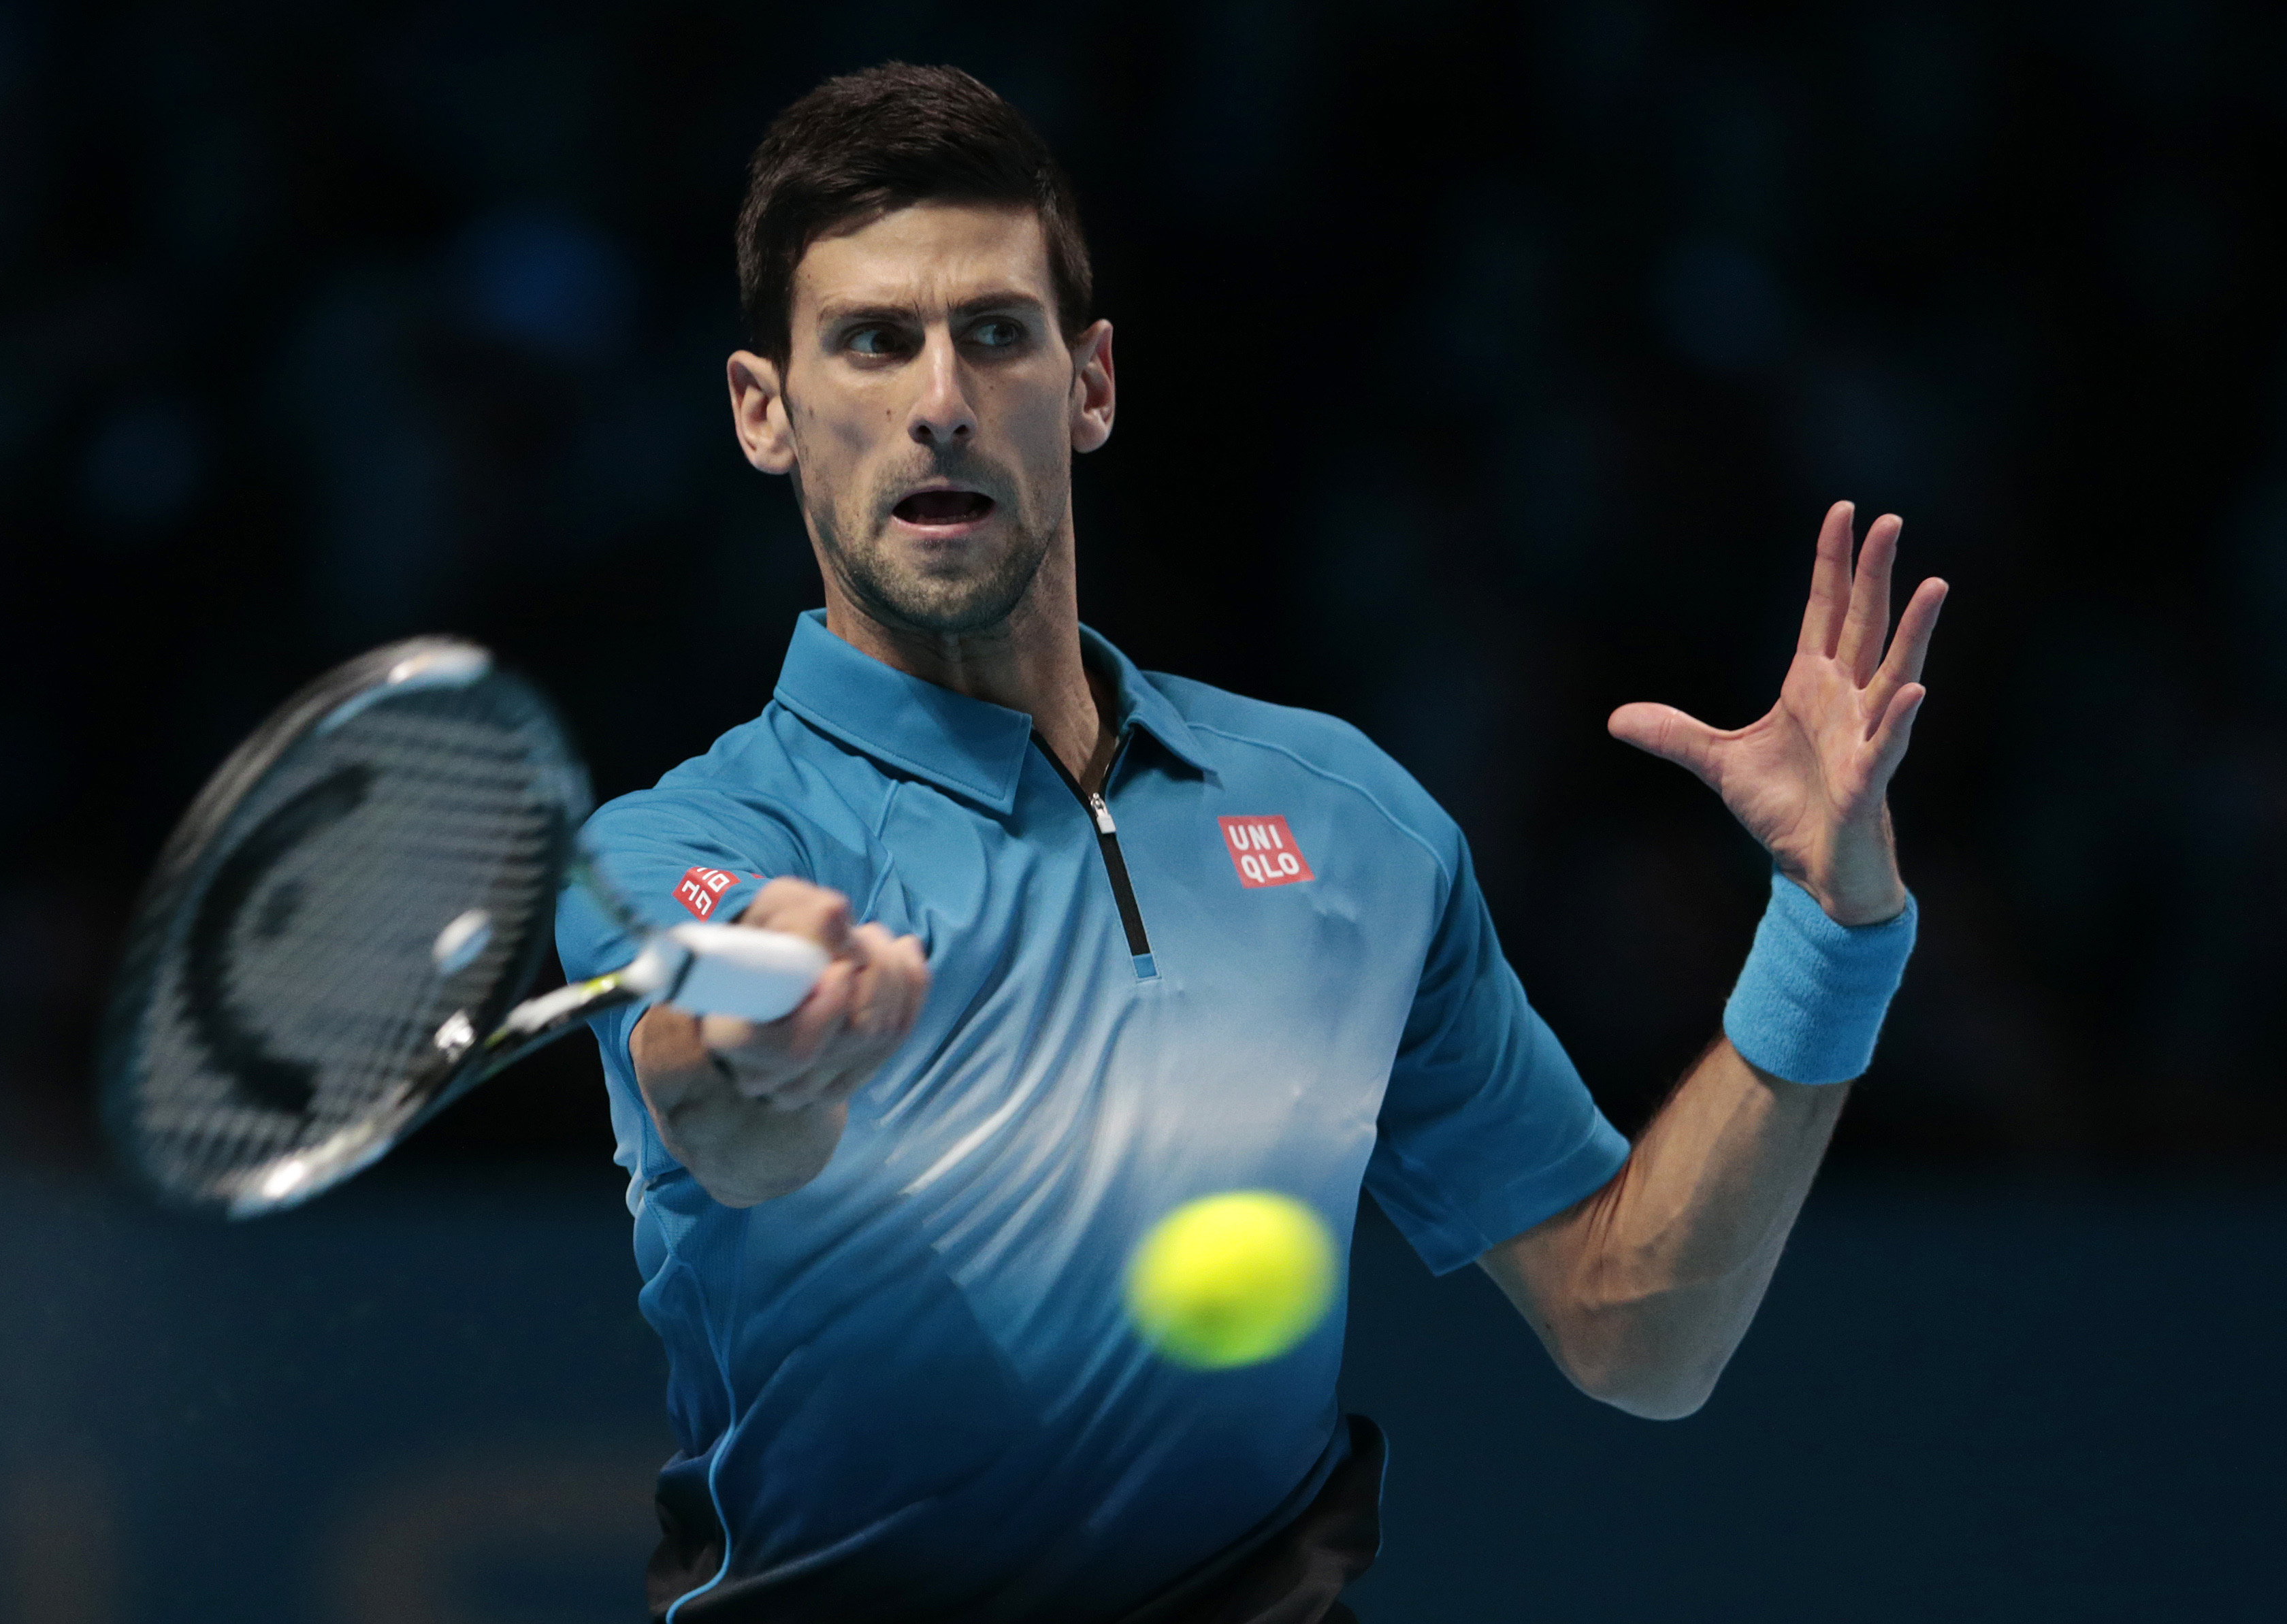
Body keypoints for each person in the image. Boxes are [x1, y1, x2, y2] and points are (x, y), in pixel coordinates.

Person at [557, 63, 1945, 1624]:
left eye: (993, 332)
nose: (939, 394)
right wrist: (781, 1028)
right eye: (873, 341)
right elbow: (711, 1093)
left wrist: (1830, 936)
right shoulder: (687, 842)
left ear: (1088, 384)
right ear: (766, 410)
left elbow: (1639, 1330)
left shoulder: (1351, 823)